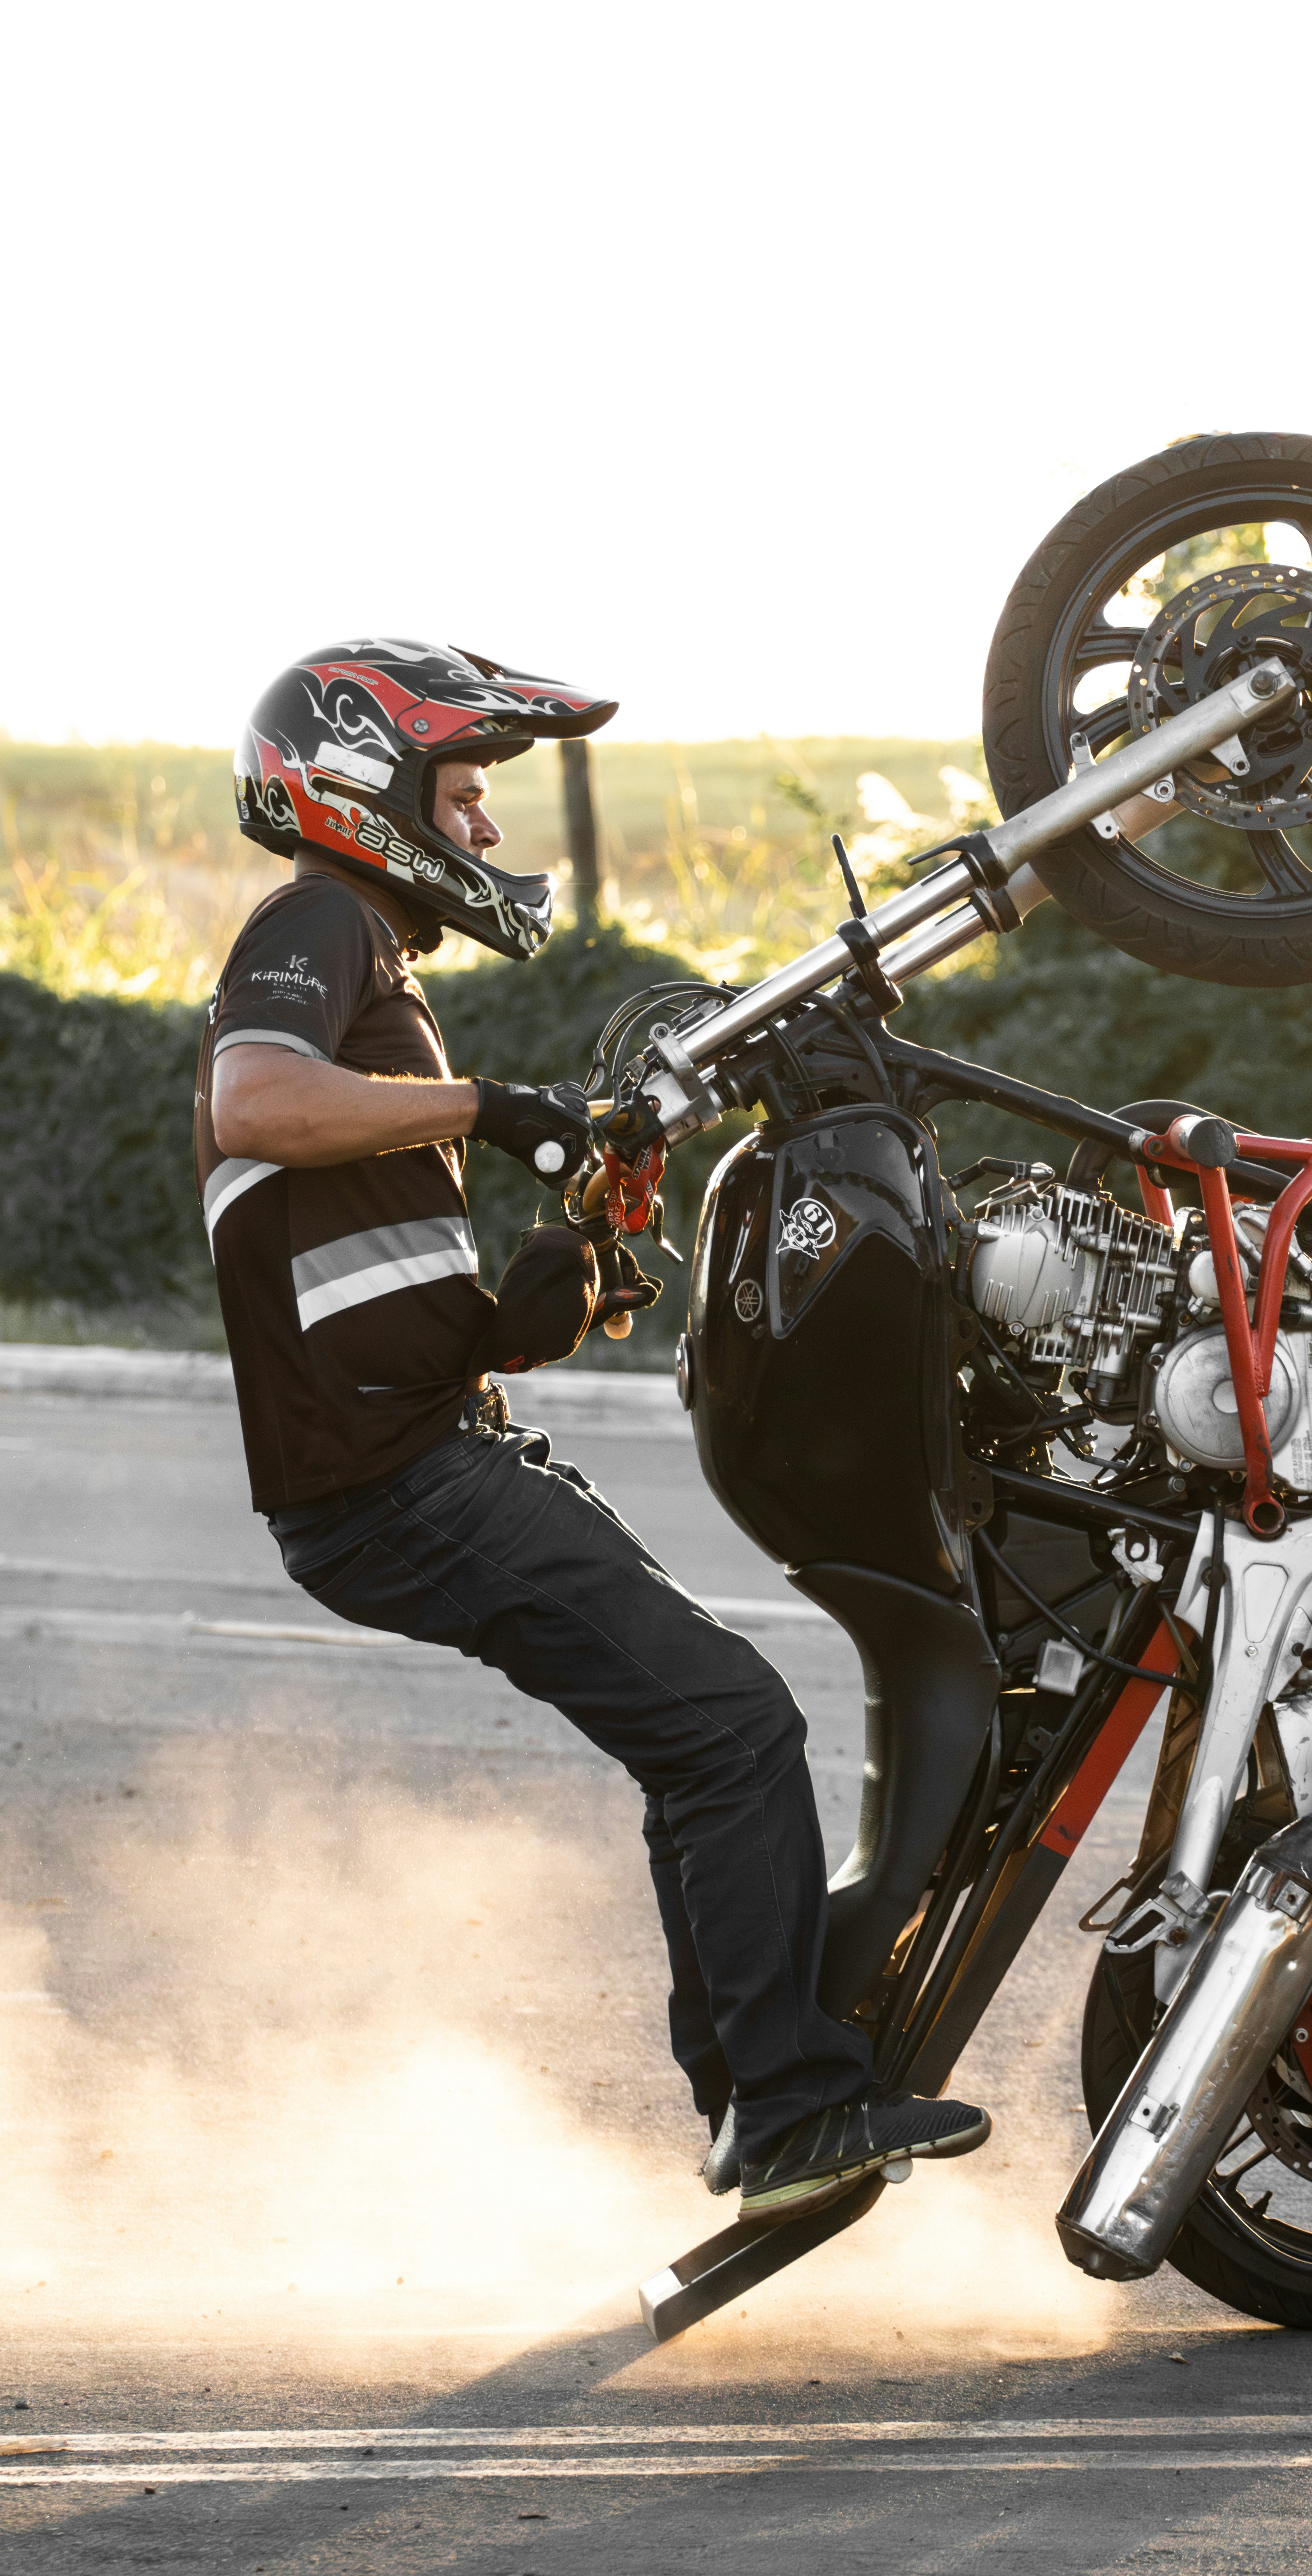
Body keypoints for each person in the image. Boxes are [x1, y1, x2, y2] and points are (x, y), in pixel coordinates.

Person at [194, 640, 989, 2218]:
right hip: (397, 1485)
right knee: (734, 1726)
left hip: (419, 1450)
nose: (484, 831)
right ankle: (781, 2107)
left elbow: (369, 1286)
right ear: (365, 788)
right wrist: (496, 1107)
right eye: (467, 791)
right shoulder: (316, 921)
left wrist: (532, 1306)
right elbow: (255, 1106)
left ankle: (760, 2098)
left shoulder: (382, 980)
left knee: (700, 1738)